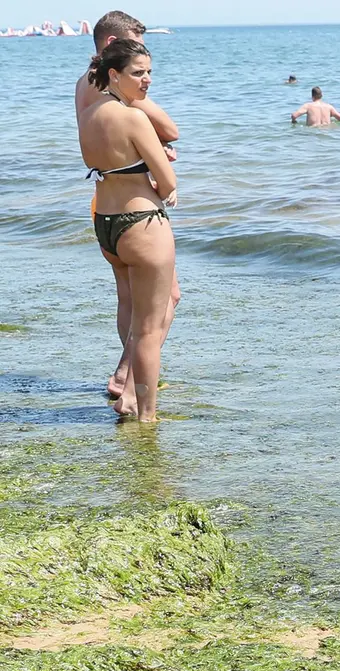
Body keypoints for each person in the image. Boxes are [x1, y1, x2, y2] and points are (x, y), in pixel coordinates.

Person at [75, 10, 178, 407]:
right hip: (141, 216)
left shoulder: (85, 98)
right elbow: (170, 133)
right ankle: (135, 390)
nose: (146, 78)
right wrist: (159, 164)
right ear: (114, 54)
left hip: (105, 211)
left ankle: (127, 375)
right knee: (161, 305)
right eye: (139, 67)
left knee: (127, 299)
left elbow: (102, 154)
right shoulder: (131, 110)